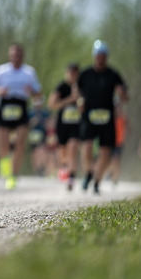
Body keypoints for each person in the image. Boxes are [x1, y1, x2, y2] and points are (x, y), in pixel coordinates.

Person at [0, 43, 43, 190]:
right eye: (13, 55)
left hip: (21, 106)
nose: (15, 58)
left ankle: (13, 175)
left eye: (18, 55)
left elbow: (38, 93)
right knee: (3, 145)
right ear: (9, 56)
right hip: (5, 106)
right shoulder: (1, 71)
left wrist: (32, 92)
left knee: (20, 143)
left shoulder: (29, 72)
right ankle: (5, 167)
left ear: (22, 56)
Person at [78, 40, 129, 195]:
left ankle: (97, 181)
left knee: (106, 152)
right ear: (94, 56)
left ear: (106, 57)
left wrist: (121, 94)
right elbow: (76, 90)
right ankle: (89, 172)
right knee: (87, 147)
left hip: (107, 118)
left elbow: (126, 96)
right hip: (89, 117)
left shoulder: (113, 75)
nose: (101, 58)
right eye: (98, 55)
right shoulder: (85, 74)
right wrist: (79, 100)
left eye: (103, 56)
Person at [48, 62, 83, 191]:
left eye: (75, 73)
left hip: (76, 124)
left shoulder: (82, 87)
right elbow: (52, 104)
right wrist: (70, 99)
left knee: (73, 148)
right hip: (63, 124)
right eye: (71, 73)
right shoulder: (61, 87)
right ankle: (64, 167)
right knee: (63, 151)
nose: (73, 76)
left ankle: (71, 177)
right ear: (66, 73)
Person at [109, 103, 129, 186]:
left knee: (117, 160)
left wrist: (126, 122)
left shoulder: (122, 118)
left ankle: (115, 177)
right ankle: (111, 173)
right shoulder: (111, 118)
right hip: (110, 142)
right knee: (110, 160)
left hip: (119, 142)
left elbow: (128, 128)